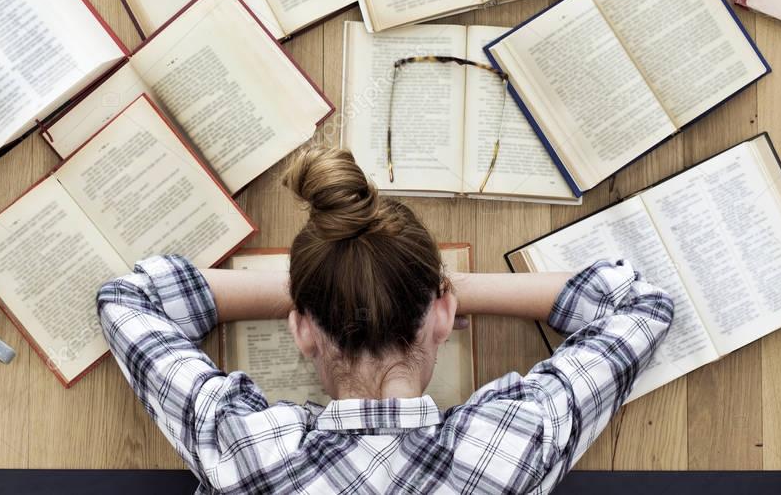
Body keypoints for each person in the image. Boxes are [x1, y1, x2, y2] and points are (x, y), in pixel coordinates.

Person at [98, 147, 674, 494]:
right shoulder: (508, 449)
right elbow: (638, 305)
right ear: (442, 315)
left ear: (301, 328)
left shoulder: (245, 453)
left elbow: (130, 300)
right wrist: (440, 290)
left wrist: (327, 288)